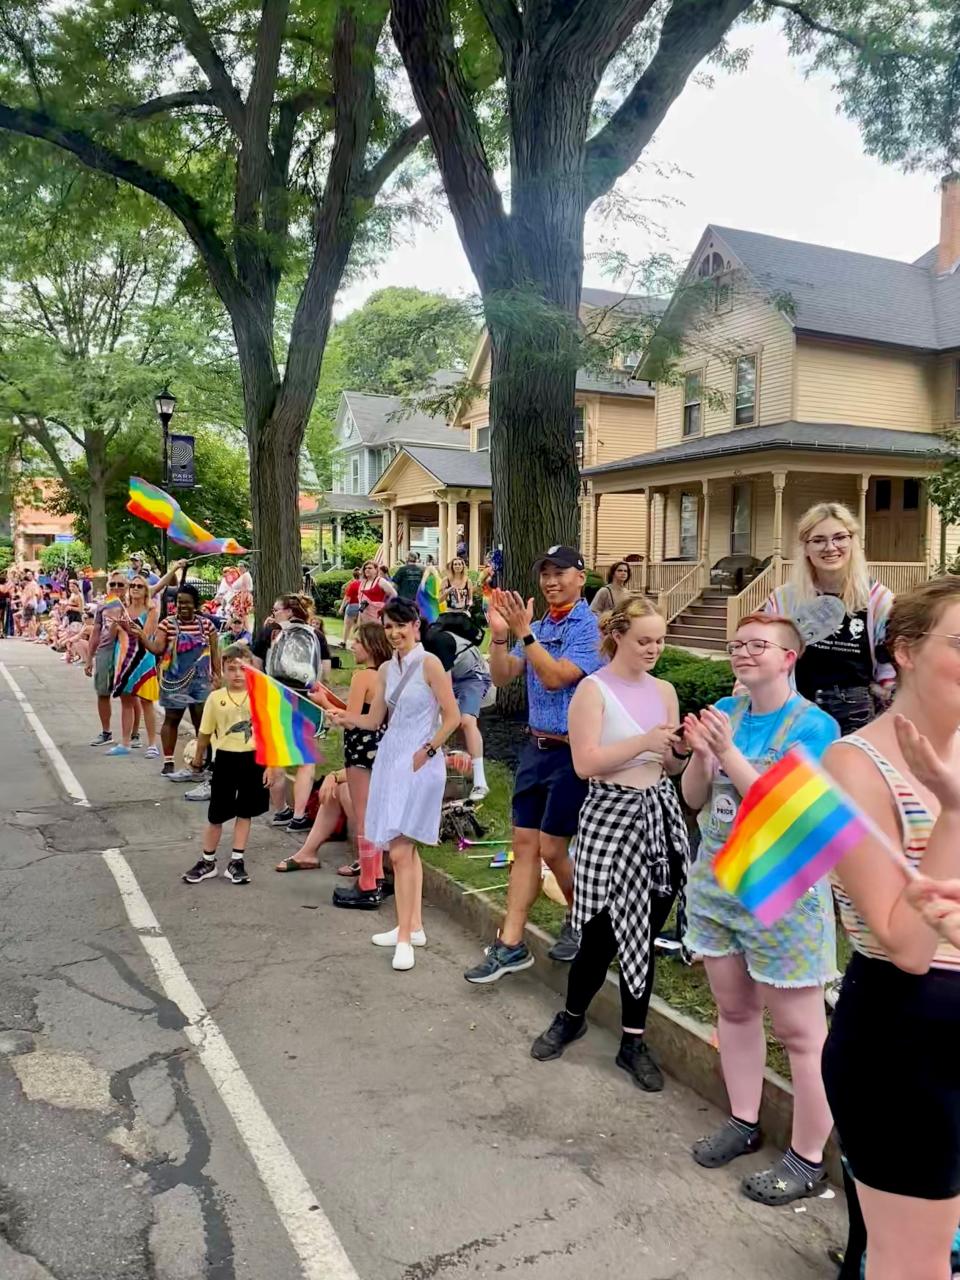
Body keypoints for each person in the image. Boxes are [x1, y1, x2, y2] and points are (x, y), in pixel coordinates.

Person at [820, 577, 960, 1279]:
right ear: (904, 651)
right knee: (915, 1266)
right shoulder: (852, 765)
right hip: (903, 1042)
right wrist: (954, 813)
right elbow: (906, 944)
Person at [681, 612, 839, 1205]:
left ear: (789, 656)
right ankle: (744, 1121)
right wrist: (701, 757)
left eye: (757, 644)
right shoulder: (729, 711)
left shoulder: (816, 728)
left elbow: (788, 812)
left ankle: (806, 1157)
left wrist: (727, 752)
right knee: (735, 1009)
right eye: (736, 644)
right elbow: (695, 800)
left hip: (782, 889)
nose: (743, 652)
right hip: (718, 881)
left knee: (801, 1033)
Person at [529, 598, 690, 1089]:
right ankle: (572, 1015)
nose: (654, 649)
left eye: (660, 640)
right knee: (601, 936)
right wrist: (644, 741)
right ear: (618, 635)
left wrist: (680, 752)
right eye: (645, 640)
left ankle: (633, 1042)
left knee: (641, 934)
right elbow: (586, 763)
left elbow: (673, 768)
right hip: (609, 818)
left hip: (658, 818)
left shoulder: (665, 691)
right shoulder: (592, 691)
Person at [464, 546, 603, 983]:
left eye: (560, 573)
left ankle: (585, 921)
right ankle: (510, 944)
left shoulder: (590, 628)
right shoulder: (537, 625)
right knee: (525, 845)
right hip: (535, 749)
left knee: (553, 847)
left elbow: (557, 676)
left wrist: (526, 635)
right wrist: (503, 635)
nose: (550, 581)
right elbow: (503, 676)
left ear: (581, 578)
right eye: (544, 574)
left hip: (572, 753)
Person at [329, 598, 461, 971]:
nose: (395, 633)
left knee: (401, 851)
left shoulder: (431, 664)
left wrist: (430, 748)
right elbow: (373, 721)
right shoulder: (386, 668)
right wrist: (343, 717)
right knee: (403, 849)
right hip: (389, 758)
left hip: (420, 762)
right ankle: (412, 926)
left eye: (400, 625)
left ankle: (404, 937)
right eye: (388, 627)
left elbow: (452, 716)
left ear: (416, 625)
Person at [279, 622, 392, 898]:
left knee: (366, 818)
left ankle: (370, 880)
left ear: (370, 645)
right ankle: (371, 874)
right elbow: (366, 714)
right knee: (369, 813)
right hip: (379, 748)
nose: (352, 646)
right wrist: (328, 699)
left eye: (357, 641)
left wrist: (323, 705)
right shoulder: (388, 674)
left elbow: (351, 721)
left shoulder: (362, 678)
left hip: (360, 750)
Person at [766, 502, 894, 735]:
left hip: (856, 718)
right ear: (805, 547)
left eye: (839, 537)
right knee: (801, 774)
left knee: (847, 773)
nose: (830, 547)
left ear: (853, 541)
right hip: (796, 713)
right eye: (818, 540)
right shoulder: (784, 600)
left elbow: (889, 668)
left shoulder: (878, 599)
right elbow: (765, 654)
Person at [181, 644, 270, 886]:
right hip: (225, 759)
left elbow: (267, 734)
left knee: (245, 811)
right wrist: (199, 756)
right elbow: (205, 733)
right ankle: (207, 860)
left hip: (253, 760)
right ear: (223, 670)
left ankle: (236, 861)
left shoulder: (259, 696)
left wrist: (271, 765)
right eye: (232, 669)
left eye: (243, 669)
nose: (238, 674)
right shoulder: (215, 698)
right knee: (217, 813)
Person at [139, 583, 220, 776]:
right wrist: (141, 636)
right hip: (174, 681)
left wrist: (218, 676)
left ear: (196, 604)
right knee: (172, 718)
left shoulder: (207, 624)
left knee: (202, 722)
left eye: (187, 603)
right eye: (179, 602)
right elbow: (158, 649)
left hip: (201, 682)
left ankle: (204, 761)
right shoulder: (167, 623)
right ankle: (168, 762)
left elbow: (215, 653)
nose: (182, 606)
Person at [265, 594, 324, 832]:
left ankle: (282, 811)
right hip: (302, 697)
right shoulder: (311, 634)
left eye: (277, 609)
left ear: (289, 612)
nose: (273, 612)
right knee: (304, 760)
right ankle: (297, 815)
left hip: (280, 696)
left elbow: (267, 666)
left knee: (279, 756)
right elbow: (319, 671)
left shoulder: (278, 633)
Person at [108, 575, 162, 758]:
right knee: (126, 701)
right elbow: (112, 633)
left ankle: (152, 744)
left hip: (143, 658)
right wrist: (117, 622)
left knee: (147, 701)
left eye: (139, 586)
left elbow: (147, 634)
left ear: (146, 590)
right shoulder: (122, 608)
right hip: (123, 656)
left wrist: (130, 627)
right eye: (133, 585)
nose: (135, 588)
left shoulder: (151, 609)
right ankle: (125, 742)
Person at [85, 573, 130, 746]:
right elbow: (95, 632)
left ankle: (133, 734)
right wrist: (89, 658)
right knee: (103, 692)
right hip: (105, 651)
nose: (116, 588)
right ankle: (106, 732)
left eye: (120, 584)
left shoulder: (132, 605)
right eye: (113, 584)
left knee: (130, 694)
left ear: (126, 587)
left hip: (127, 651)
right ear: (107, 587)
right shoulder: (102, 606)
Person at [339, 567, 363, 647]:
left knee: (347, 626)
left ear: (353, 576)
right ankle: (355, 643)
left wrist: (341, 608)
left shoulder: (353, 584)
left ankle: (344, 642)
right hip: (362, 607)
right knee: (357, 626)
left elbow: (347, 598)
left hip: (352, 605)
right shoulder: (364, 583)